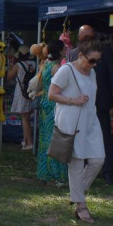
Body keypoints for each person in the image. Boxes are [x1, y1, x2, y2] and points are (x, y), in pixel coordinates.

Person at [50, 38, 105, 222]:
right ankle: (81, 205)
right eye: (91, 60)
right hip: (72, 121)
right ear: (81, 55)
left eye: (97, 61)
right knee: (77, 162)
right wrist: (73, 101)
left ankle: (77, 194)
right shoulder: (67, 70)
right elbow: (52, 94)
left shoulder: (92, 72)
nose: (94, 64)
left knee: (98, 159)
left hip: (91, 121)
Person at [67, 25, 113, 184]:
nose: (88, 40)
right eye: (85, 37)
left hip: (100, 102)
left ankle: (107, 171)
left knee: (104, 137)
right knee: (80, 137)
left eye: (90, 37)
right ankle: (84, 171)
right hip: (80, 103)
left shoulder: (105, 52)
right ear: (79, 38)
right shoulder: (73, 54)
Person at [35, 40, 68, 186]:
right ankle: (55, 173)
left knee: (44, 139)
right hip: (54, 104)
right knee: (54, 139)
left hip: (45, 103)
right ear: (60, 51)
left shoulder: (45, 65)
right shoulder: (56, 67)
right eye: (64, 48)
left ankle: (43, 172)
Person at [7, 45, 37, 150]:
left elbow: (9, 77)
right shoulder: (34, 63)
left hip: (21, 92)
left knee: (24, 119)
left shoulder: (18, 65)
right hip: (30, 92)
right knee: (27, 118)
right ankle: (25, 141)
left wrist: (11, 65)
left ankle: (29, 143)